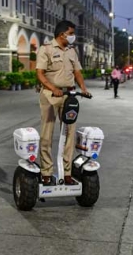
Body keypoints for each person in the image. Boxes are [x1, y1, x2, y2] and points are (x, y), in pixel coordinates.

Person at [36, 20, 91, 186]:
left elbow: (77, 72)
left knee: (69, 133)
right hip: (50, 94)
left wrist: (84, 87)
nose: (73, 36)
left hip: (69, 95)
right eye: (71, 33)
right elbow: (40, 74)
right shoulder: (46, 49)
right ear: (62, 34)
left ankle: (66, 173)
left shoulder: (71, 51)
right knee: (47, 133)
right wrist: (53, 88)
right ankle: (46, 172)